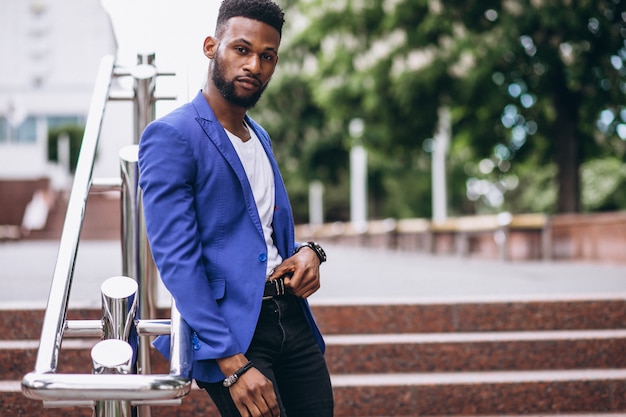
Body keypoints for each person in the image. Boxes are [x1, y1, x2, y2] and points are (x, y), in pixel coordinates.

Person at [137, 0, 334, 416]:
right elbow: (176, 259)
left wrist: (308, 252)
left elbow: (258, 231)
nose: (254, 66)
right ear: (212, 46)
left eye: (267, 56)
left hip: (292, 318)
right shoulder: (171, 135)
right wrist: (229, 362)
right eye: (241, 50)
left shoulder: (259, 135)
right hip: (235, 336)